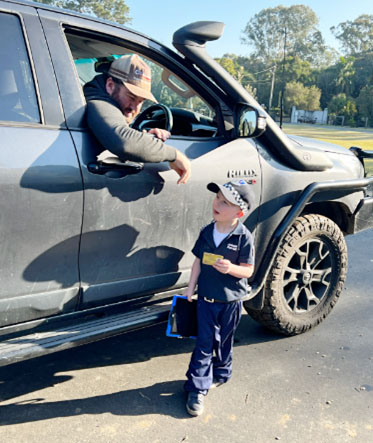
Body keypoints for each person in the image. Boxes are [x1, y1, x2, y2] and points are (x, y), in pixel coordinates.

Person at [184, 180, 255, 416]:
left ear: (239, 212)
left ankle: (222, 372)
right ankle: (197, 388)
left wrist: (231, 268)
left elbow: (248, 271)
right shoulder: (207, 232)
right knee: (204, 344)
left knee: (224, 342)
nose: (217, 203)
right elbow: (197, 262)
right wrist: (190, 289)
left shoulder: (243, 237)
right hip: (206, 300)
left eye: (225, 202)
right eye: (217, 197)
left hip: (232, 303)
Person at [83, 54, 191, 184]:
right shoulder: (97, 101)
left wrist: (142, 137)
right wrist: (174, 155)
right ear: (110, 85)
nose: (135, 108)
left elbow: (115, 129)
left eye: (141, 101)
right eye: (131, 97)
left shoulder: (98, 94)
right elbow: (124, 142)